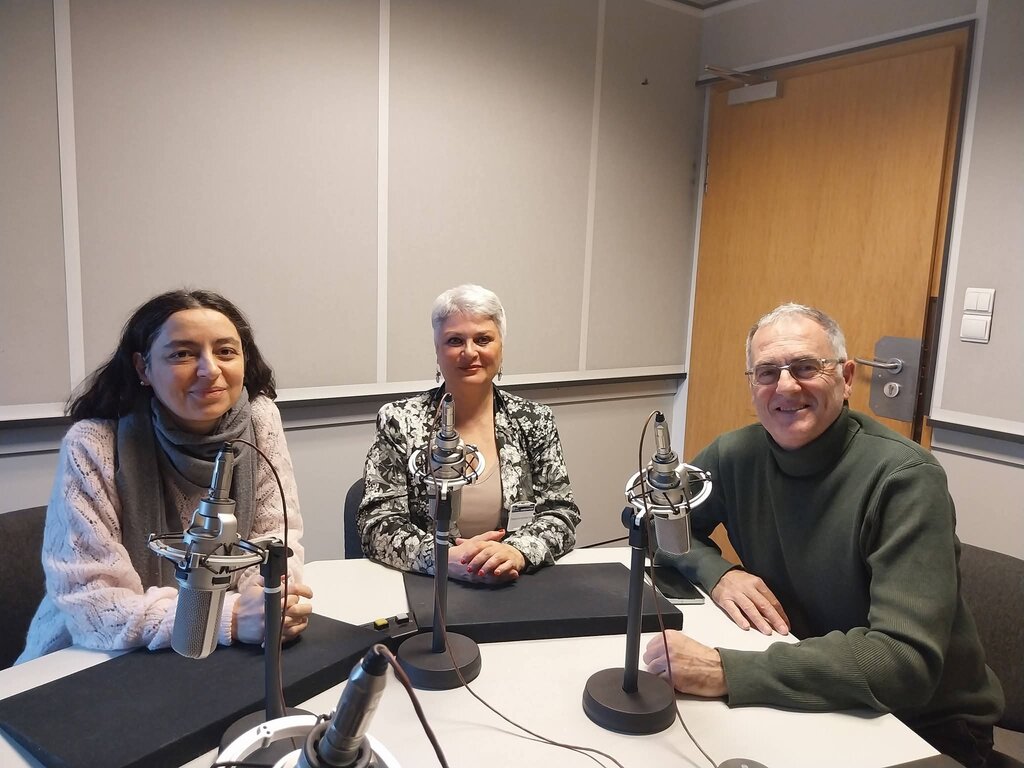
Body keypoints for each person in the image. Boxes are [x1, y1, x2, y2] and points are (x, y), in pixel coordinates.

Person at [643, 303, 1004, 767]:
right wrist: (717, 572)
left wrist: (726, 670)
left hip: (920, 725)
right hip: (810, 680)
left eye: (805, 367)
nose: (785, 386)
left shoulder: (905, 479)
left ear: (847, 377)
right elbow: (650, 522)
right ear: (752, 385)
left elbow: (903, 663)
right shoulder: (736, 454)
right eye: (767, 372)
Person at [18, 289, 313, 663]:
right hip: (95, 655)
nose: (210, 370)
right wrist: (229, 617)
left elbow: (275, 537)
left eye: (225, 351)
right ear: (143, 368)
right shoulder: (93, 443)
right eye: (182, 354)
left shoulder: (260, 420)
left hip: (223, 652)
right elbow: (93, 603)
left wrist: (270, 597)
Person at [358, 284, 580, 584]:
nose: (470, 352)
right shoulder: (399, 420)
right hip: (430, 585)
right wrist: (441, 558)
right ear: (437, 351)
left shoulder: (534, 420)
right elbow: (376, 524)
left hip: (514, 581)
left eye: (483, 339)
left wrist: (517, 551)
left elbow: (561, 513)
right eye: (455, 340)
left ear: (501, 348)